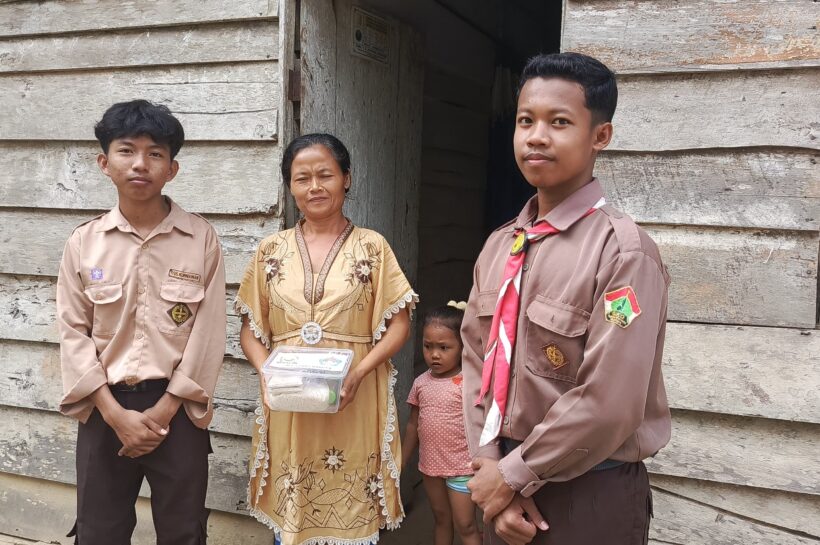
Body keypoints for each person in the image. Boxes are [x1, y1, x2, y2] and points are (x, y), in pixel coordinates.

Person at [462, 52, 672, 545]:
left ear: (601, 136)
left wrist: (514, 475)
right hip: (501, 490)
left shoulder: (623, 253)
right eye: (525, 121)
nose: (536, 136)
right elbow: (477, 362)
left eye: (559, 122)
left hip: (587, 495)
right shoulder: (500, 246)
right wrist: (490, 466)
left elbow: (610, 401)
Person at [56, 99, 227, 544]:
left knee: (184, 531)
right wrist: (114, 414)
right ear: (104, 162)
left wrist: (165, 409)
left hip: (178, 411)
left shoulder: (200, 238)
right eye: (126, 150)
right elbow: (73, 332)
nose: (140, 164)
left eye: (155, 154)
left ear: (172, 169)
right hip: (104, 409)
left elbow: (208, 333)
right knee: (99, 531)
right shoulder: (84, 243)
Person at [236, 133, 417, 545]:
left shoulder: (372, 247)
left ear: (346, 179)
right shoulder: (270, 250)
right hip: (289, 399)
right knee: (294, 505)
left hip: (355, 395)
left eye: (325, 175)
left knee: (350, 503)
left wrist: (360, 372)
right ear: (290, 186)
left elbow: (400, 325)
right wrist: (267, 373)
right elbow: (250, 329)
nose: (314, 187)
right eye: (302, 178)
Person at [402, 302, 481, 545]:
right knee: (441, 519)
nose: (434, 354)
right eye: (428, 346)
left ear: (462, 347)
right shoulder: (420, 383)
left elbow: (482, 422)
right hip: (431, 467)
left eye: (444, 347)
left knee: (466, 525)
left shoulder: (469, 383)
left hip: (463, 467)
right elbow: (413, 425)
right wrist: (402, 459)